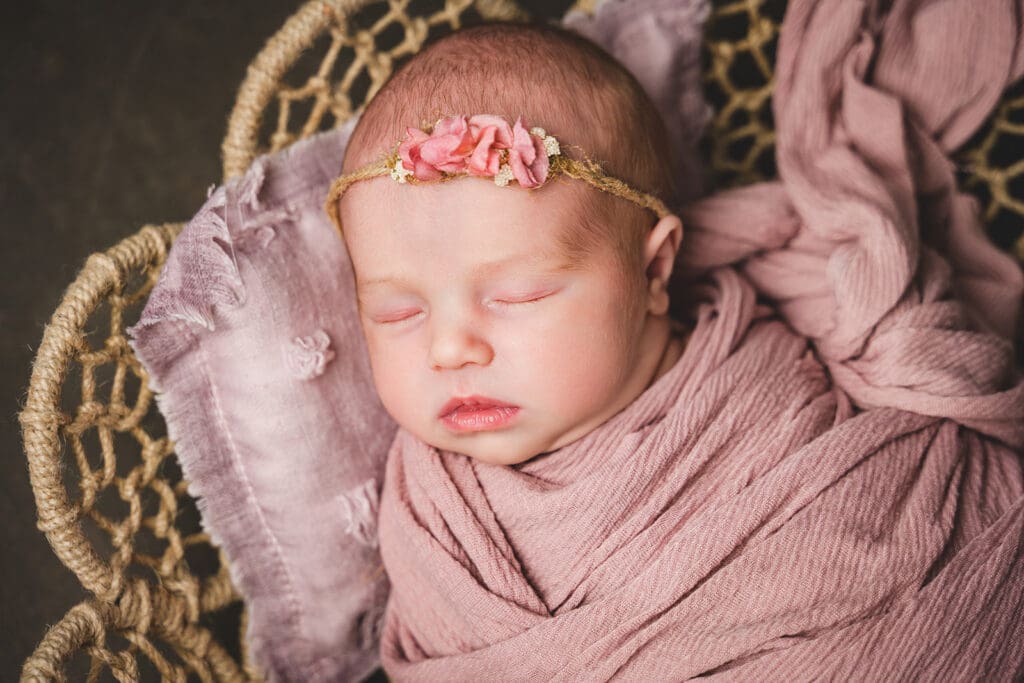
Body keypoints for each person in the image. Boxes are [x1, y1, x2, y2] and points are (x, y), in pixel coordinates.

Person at [325, 18, 1024, 682]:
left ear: (654, 271)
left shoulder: (770, 374)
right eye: (397, 311)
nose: (448, 347)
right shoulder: (430, 516)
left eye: (520, 295)